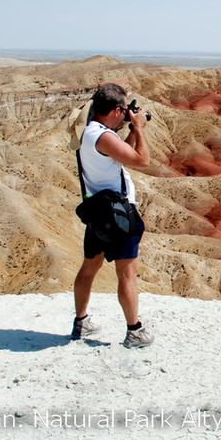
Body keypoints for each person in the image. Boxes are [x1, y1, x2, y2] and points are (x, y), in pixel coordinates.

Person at [71, 83, 153, 348]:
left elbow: (120, 156)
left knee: (88, 270)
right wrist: (139, 128)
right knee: (127, 275)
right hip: (118, 215)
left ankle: (81, 322)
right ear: (117, 109)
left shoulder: (88, 132)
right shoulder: (103, 137)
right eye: (125, 109)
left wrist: (129, 132)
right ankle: (135, 331)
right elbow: (142, 161)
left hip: (98, 213)